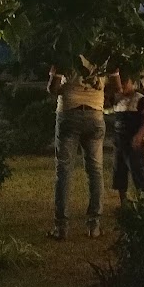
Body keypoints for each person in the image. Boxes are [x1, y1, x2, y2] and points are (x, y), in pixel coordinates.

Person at [47, 58, 106, 239]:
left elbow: (53, 89)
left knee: (64, 170)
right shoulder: (104, 54)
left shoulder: (67, 53)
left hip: (69, 112)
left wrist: (61, 80)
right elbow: (116, 86)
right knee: (95, 171)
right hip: (95, 112)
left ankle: (61, 227)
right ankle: (94, 225)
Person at [108, 73, 144, 202]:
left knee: (138, 170)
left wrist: (139, 135)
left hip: (133, 141)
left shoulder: (139, 99)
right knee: (119, 171)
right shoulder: (117, 99)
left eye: (125, 82)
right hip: (119, 141)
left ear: (133, 82)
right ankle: (124, 202)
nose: (122, 86)